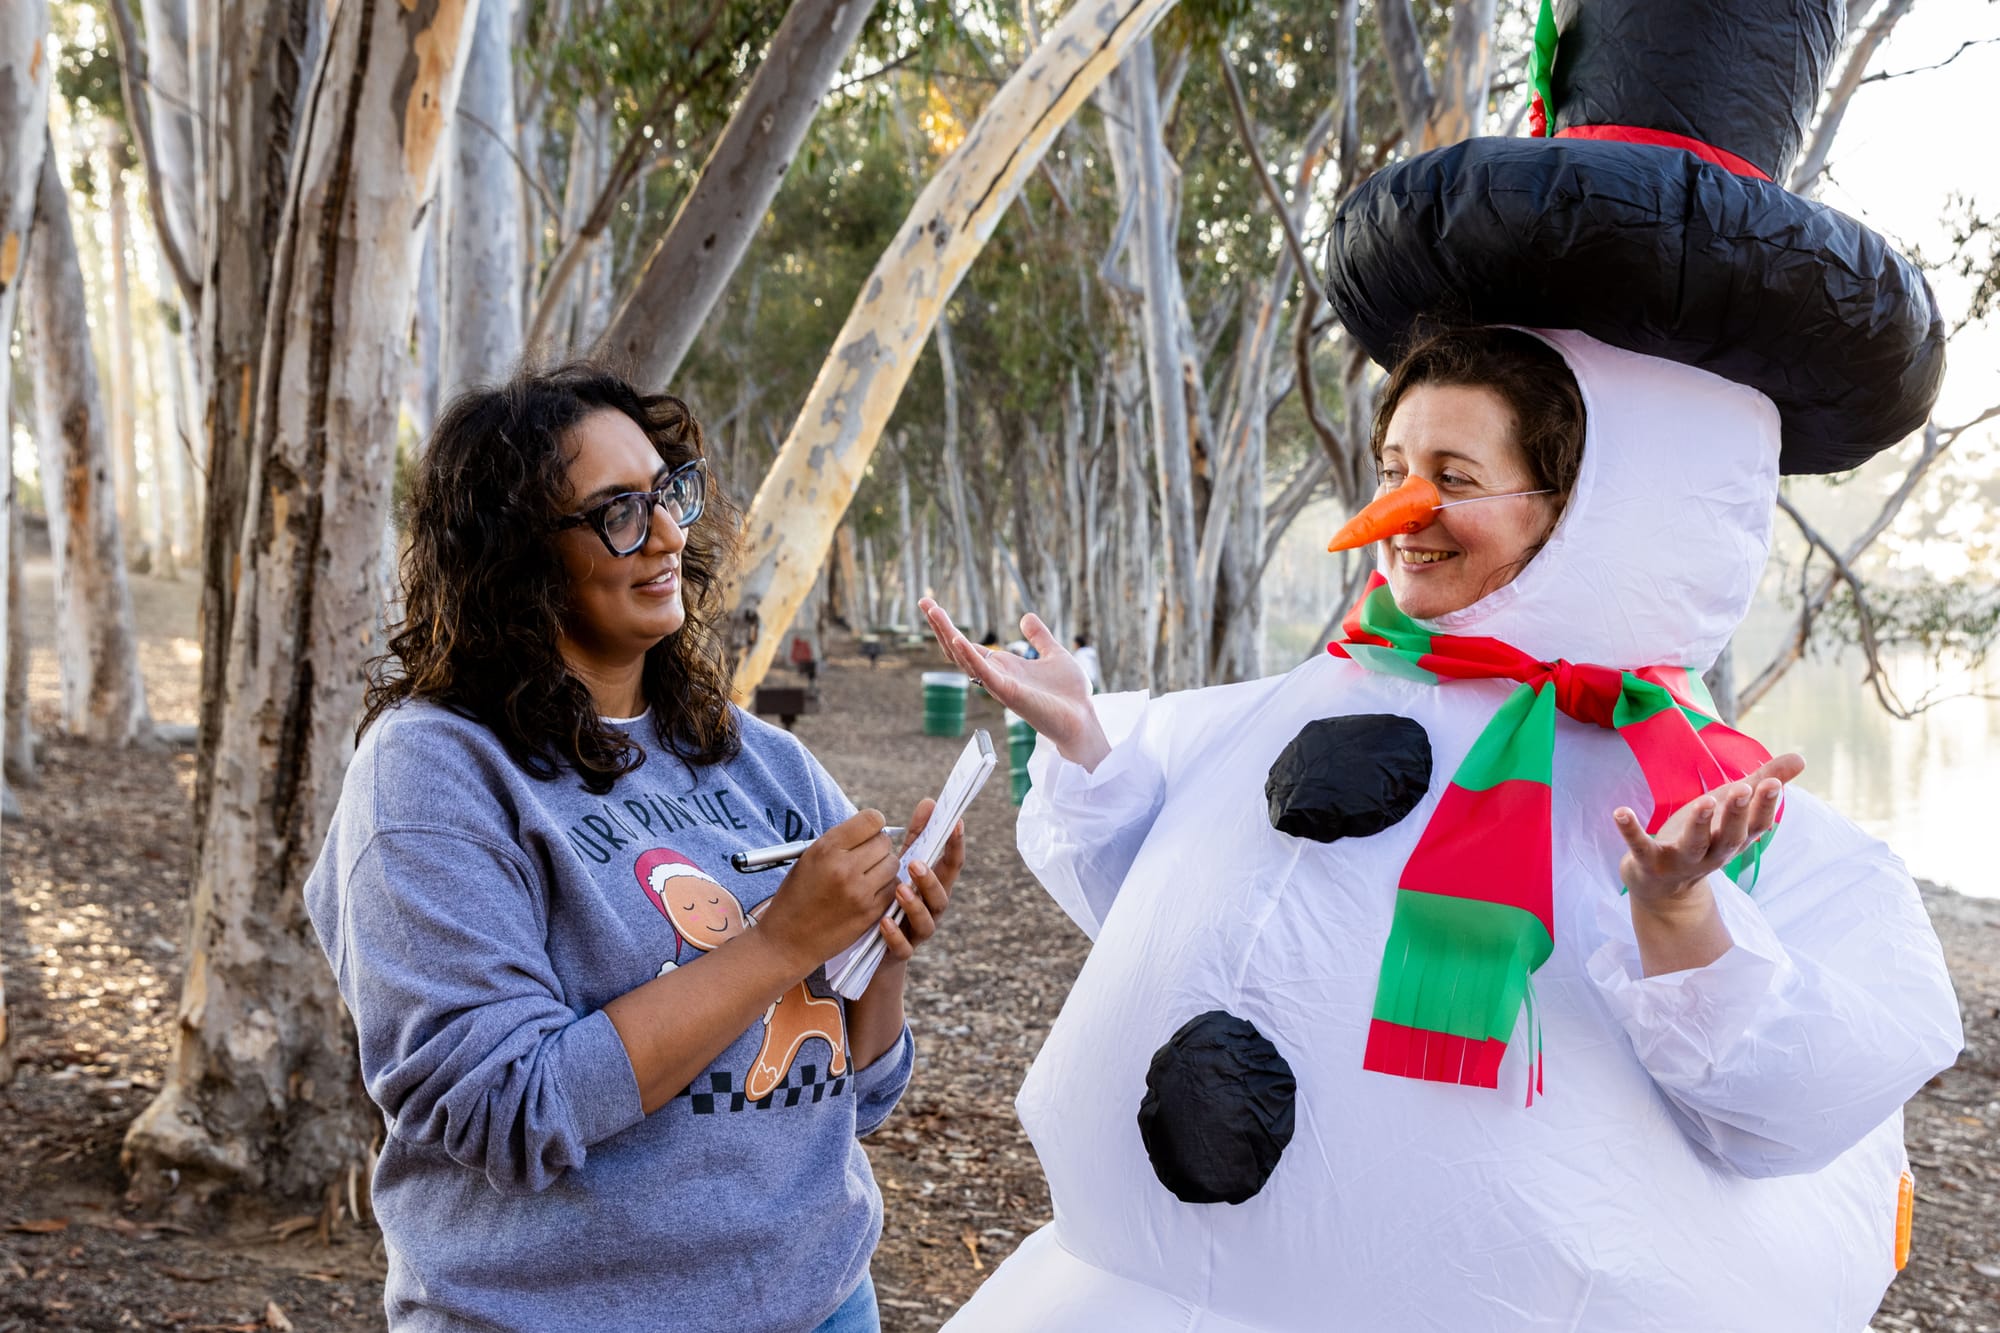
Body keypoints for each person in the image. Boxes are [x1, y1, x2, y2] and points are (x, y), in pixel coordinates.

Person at [921, 325, 1961, 1330]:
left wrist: (1677, 912)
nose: (1399, 511)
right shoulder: (1307, 691)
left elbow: (1799, 1100)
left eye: (1453, 478)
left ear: (1572, 511)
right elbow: (1147, 903)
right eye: (1390, 467)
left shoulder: (1681, 778)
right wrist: (1086, 745)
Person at [303, 364, 964, 1333]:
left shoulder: (757, 760)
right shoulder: (432, 772)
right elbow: (504, 1107)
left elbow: (856, 1094)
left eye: (666, 493)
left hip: (821, 1303)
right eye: (616, 510)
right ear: (518, 554)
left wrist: (879, 949)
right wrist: (777, 944)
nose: (664, 533)